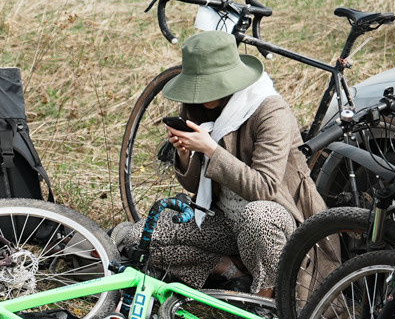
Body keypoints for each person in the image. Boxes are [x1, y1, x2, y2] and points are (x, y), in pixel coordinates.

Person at [128, 29, 326, 293]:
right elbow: (197, 188)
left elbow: (264, 189)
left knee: (259, 218)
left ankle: (266, 301)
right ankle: (230, 269)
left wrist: (211, 150)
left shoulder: (269, 110)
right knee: (137, 237)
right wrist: (186, 155)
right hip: (224, 220)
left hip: (275, 221)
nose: (200, 93)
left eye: (208, 84)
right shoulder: (199, 105)